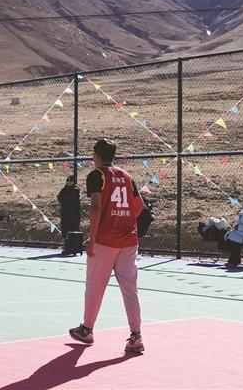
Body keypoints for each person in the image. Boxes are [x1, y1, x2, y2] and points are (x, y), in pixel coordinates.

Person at [69, 138, 145, 354]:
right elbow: (139, 206)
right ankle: (136, 336)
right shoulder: (127, 176)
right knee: (130, 289)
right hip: (129, 240)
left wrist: (92, 240)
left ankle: (87, 329)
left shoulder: (97, 175)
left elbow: (95, 208)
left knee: (95, 286)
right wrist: (124, 220)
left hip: (105, 240)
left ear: (97, 155)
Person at [58, 175, 81, 249]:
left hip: (73, 213)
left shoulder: (76, 190)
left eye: (70, 180)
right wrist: (66, 200)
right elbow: (59, 198)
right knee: (65, 227)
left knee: (73, 228)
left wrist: (66, 200)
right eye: (67, 180)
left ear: (74, 182)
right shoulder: (64, 190)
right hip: (65, 212)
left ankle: (73, 246)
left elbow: (74, 200)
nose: (69, 182)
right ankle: (66, 245)